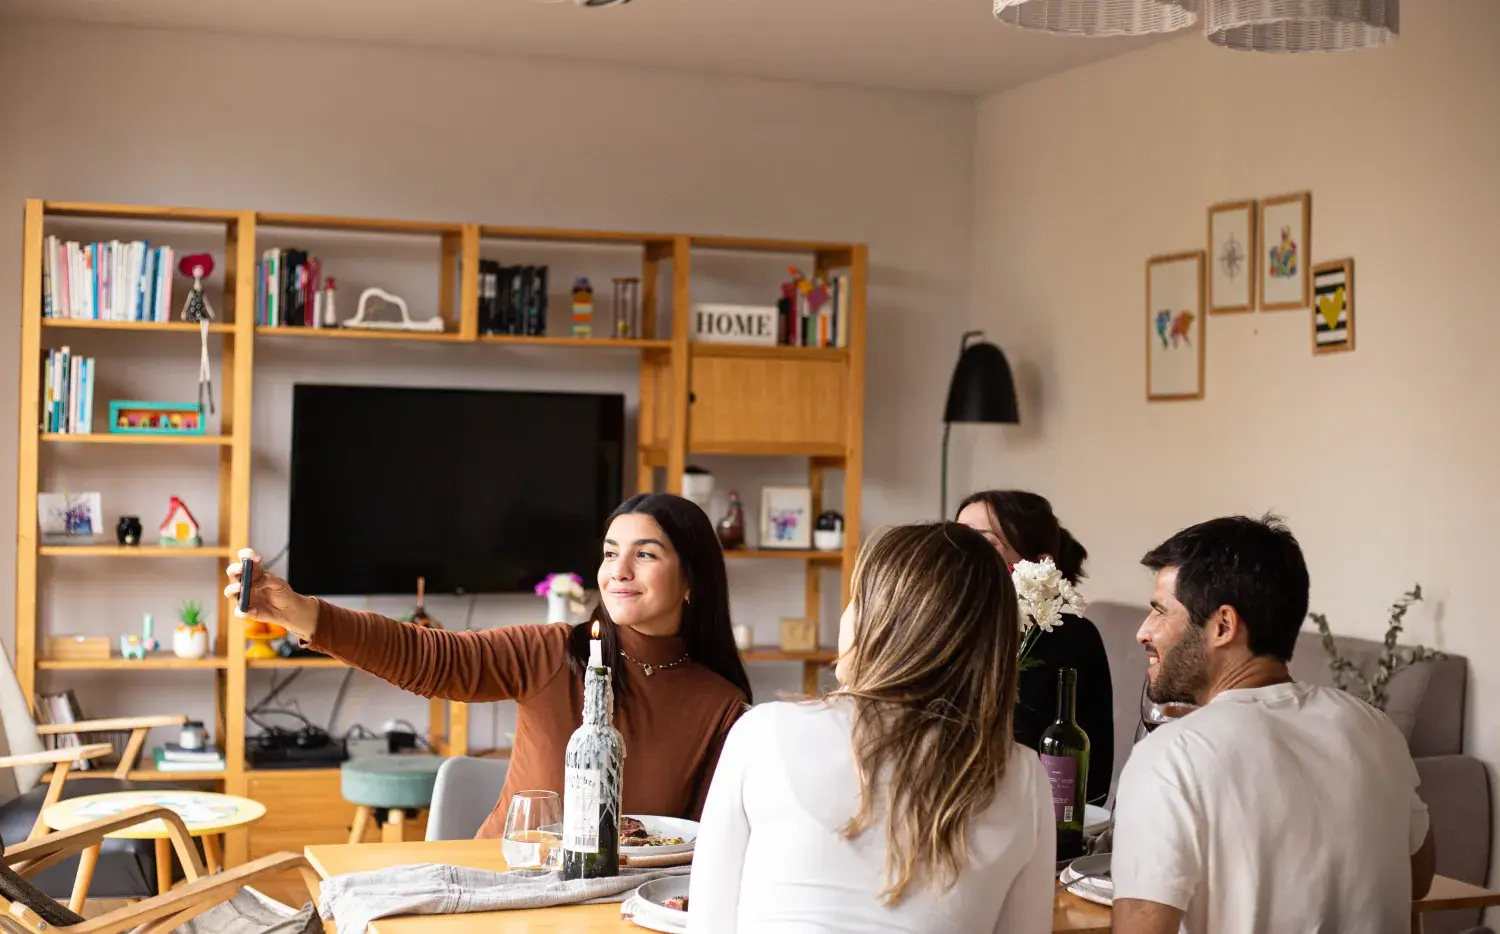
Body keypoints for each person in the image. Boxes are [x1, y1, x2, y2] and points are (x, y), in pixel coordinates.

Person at [225, 492, 752, 837]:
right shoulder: (553, 652)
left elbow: (707, 852)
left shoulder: (723, 710)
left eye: (646, 554)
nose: (618, 571)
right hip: (502, 896)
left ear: (691, 582)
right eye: (611, 553)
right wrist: (298, 611)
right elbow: (431, 657)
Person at [687, 522, 1055, 933]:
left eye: (854, 599)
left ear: (882, 621)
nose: (844, 617)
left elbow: (708, 922)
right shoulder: (1024, 776)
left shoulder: (762, 733)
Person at [1110, 514, 1436, 934]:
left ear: (1223, 626)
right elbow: (1421, 878)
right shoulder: (1374, 728)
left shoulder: (1170, 757)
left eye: (1159, 612)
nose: (1143, 631)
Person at [955, 490, 1115, 805]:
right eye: (956, 538)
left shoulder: (1072, 640)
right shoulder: (936, 632)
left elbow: (1090, 779)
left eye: (983, 542)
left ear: (1039, 565)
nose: (959, 553)